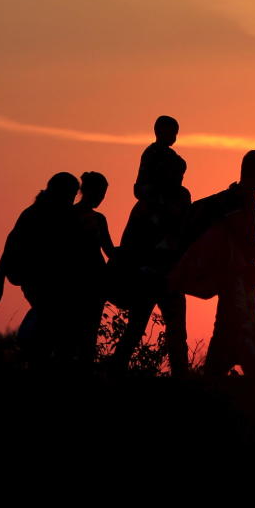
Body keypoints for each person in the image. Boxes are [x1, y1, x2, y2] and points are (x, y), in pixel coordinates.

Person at [171, 150, 255, 379]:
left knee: (226, 348)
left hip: (242, 283)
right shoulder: (236, 200)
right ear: (253, 171)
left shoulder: (245, 199)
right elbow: (245, 240)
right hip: (235, 283)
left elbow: (247, 241)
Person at [110, 116, 191, 376]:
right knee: (137, 326)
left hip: (169, 274)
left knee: (176, 329)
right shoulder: (146, 207)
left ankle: (182, 375)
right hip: (147, 273)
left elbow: (185, 233)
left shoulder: (180, 197)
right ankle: (115, 371)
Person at [0, 172, 84, 368]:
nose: (72, 199)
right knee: (49, 316)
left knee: (55, 322)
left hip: (55, 281)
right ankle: (30, 348)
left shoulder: (67, 215)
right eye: (70, 194)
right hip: (34, 278)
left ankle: (41, 357)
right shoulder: (33, 214)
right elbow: (10, 247)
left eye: (75, 195)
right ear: (59, 192)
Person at [72, 171, 115, 365]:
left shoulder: (100, 219)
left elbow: (110, 250)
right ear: (86, 191)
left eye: (103, 194)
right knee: (73, 330)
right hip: (75, 280)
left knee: (90, 331)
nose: (101, 198)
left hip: (97, 280)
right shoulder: (69, 215)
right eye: (99, 193)